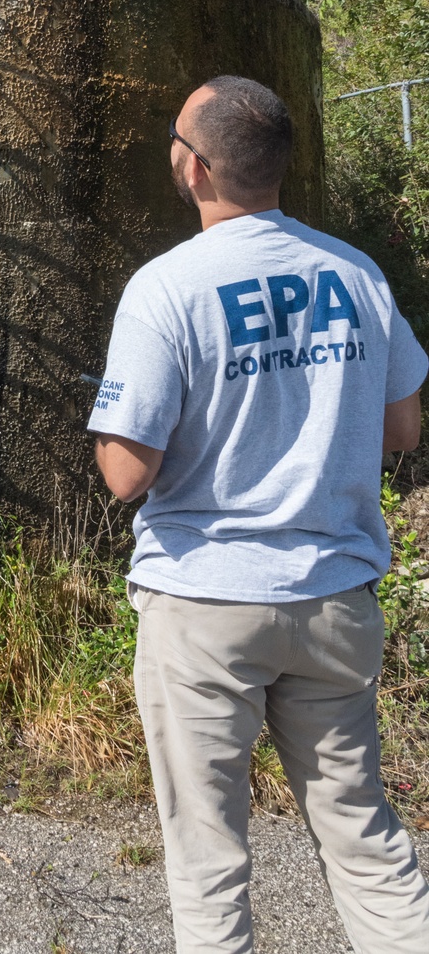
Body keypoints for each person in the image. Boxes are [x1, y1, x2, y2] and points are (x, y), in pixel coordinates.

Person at [88, 75, 429, 953]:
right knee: (364, 839)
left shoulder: (167, 289)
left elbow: (127, 473)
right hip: (333, 601)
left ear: (193, 166)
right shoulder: (355, 273)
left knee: (209, 861)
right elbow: (403, 428)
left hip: (204, 604)